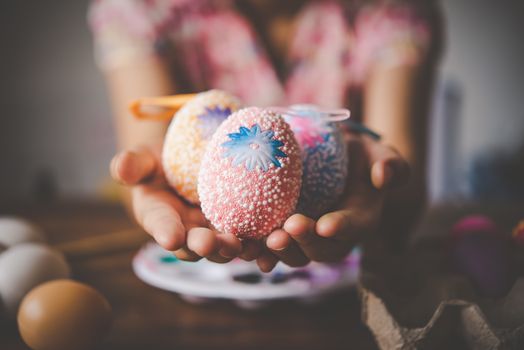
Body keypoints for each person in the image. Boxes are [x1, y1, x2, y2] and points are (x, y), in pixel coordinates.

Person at [89, 0, 443, 271]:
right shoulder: (140, 8)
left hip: (350, 288)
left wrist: (377, 173)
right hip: (199, 286)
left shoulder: (389, 11)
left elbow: (403, 185)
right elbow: (145, 167)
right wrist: (153, 174)